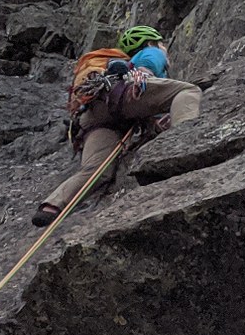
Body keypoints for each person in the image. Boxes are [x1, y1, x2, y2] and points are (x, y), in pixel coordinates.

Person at [33, 24, 200, 226]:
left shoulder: (107, 65)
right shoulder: (150, 51)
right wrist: (144, 74)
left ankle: (53, 205)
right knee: (188, 91)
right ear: (150, 42)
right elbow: (151, 61)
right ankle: (187, 141)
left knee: (98, 170)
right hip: (122, 95)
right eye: (161, 44)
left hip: (93, 116)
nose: (164, 49)